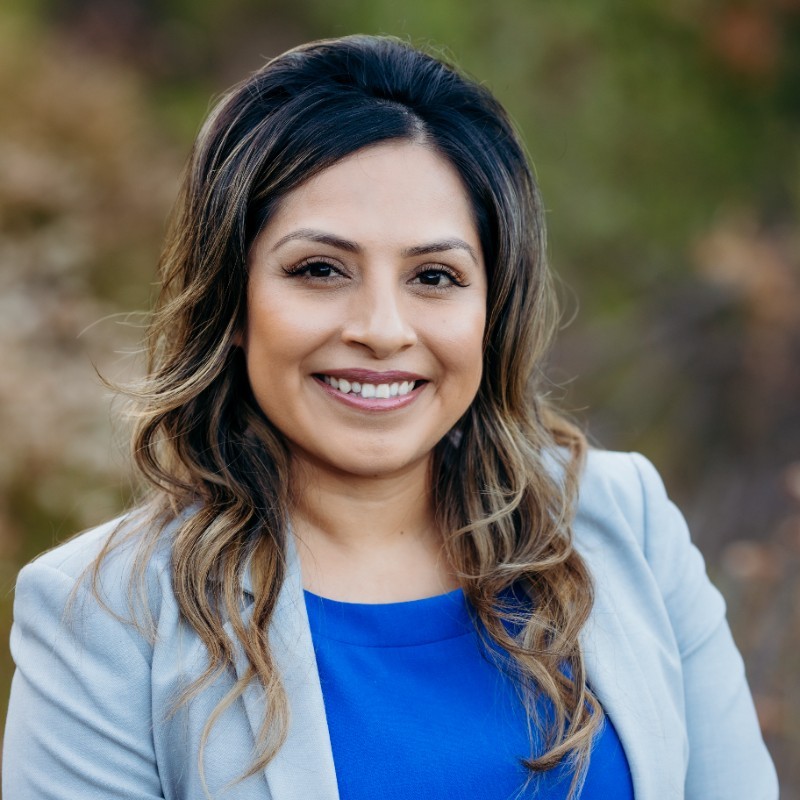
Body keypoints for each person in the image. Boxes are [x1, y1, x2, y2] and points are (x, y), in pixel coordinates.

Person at [2, 35, 778, 800]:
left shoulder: (624, 523)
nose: (381, 327)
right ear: (232, 299)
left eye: (435, 276)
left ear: (490, 309)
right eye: (319, 270)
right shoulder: (102, 619)